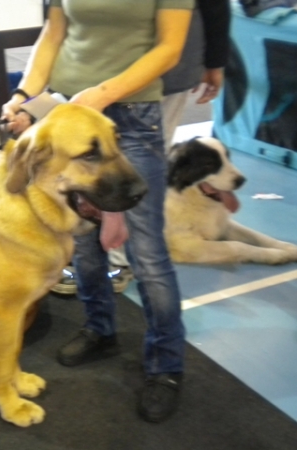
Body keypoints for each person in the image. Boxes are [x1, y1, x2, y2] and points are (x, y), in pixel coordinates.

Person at [1, 0, 194, 423]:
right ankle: (100, 328)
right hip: (66, 112)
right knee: (84, 245)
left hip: (128, 113)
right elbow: (53, 35)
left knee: (147, 254)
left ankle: (166, 366)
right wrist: (23, 96)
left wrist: (102, 95)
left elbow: (170, 48)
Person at [108, 0, 231, 294]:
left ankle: (120, 259)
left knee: (138, 168)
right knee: (123, 166)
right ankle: (115, 258)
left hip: (160, 68)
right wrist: (214, 61)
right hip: (106, 66)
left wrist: (214, 60)